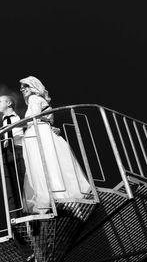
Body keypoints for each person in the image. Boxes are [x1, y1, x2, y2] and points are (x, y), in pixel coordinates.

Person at [19, 76, 90, 215]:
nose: (22, 89)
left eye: (25, 86)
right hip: (43, 132)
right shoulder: (42, 101)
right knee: (54, 166)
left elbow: (33, 117)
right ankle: (71, 206)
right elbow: (47, 120)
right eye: (21, 87)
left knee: (43, 168)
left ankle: (56, 202)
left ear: (33, 86)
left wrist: (11, 127)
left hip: (38, 134)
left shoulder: (34, 99)